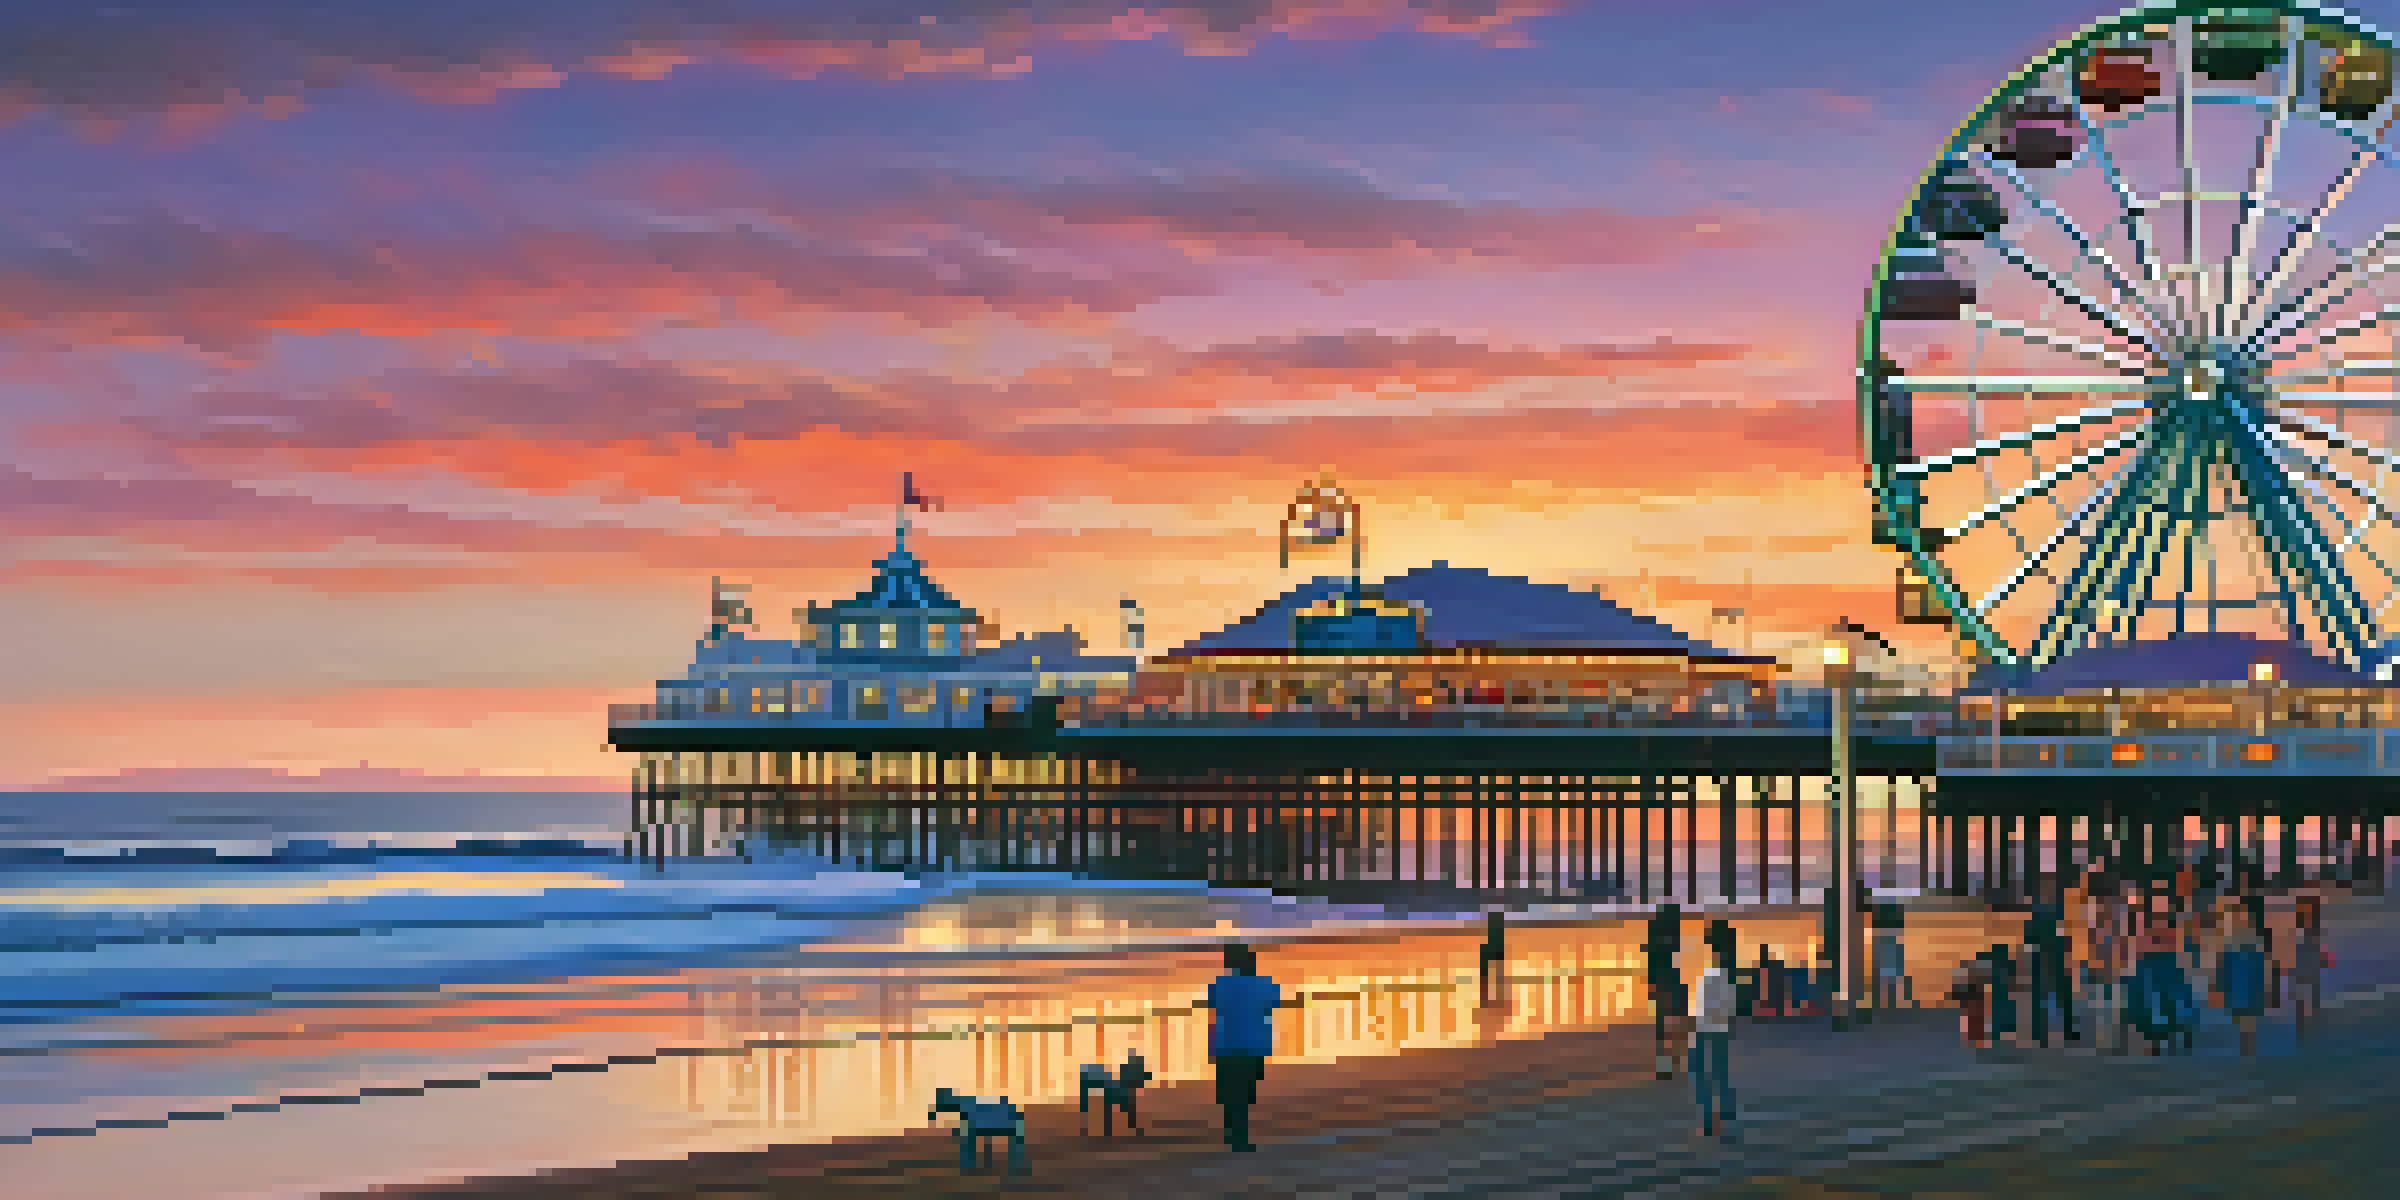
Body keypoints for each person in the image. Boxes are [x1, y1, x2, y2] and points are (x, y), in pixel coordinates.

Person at [1201, 942, 1281, 1152]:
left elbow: (1212, 1014)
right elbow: (1273, 1004)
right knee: (1244, 1093)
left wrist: (1211, 1048)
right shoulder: (1264, 984)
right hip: (1252, 1045)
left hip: (1226, 1045)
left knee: (1231, 1094)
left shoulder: (1219, 985)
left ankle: (1234, 1135)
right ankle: (1239, 1136)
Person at [1690, 936, 1739, 1142]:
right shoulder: (1725, 978)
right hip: (1718, 1029)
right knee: (1719, 1073)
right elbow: (1729, 1007)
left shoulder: (1710, 977)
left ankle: (1710, 1118)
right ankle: (1725, 1114)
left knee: (1705, 1075)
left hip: (1707, 1029)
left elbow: (1702, 1005)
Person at [2215, 902, 2269, 1057]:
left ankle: (2247, 1044)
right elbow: (2224, 968)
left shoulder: (2252, 944)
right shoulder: (2231, 945)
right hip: (2239, 985)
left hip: (2248, 985)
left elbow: (2259, 967)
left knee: (2247, 1017)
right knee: (2242, 1016)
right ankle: (2245, 1044)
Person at [1645, 904, 1686, 1079]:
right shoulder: (1666, 939)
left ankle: (1667, 1064)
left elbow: (1653, 964)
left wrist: (1652, 988)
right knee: (1673, 1024)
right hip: (1668, 983)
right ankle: (1672, 1062)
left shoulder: (1657, 938)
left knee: (1664, 1027)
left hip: (1663, 983)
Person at [1872, 904, 1910, 1011]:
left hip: (1893, 935)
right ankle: (1891, 999)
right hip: (1887, 935)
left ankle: (1892, 999)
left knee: (1892, 970)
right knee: (1889, 970)